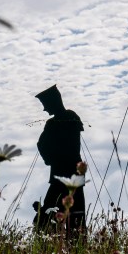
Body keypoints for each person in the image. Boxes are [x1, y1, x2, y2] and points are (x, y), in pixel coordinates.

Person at [35, 85, 86, 238]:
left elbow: (41, 144)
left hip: (60, 176)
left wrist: (50, 160)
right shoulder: (73, 117)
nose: (44, 109)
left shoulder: (52, 123)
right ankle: (76, 244)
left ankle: (47, 241)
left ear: (53, 102)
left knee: (49, 211)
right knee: (76, 214)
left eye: (45, 105)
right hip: (75, 175)